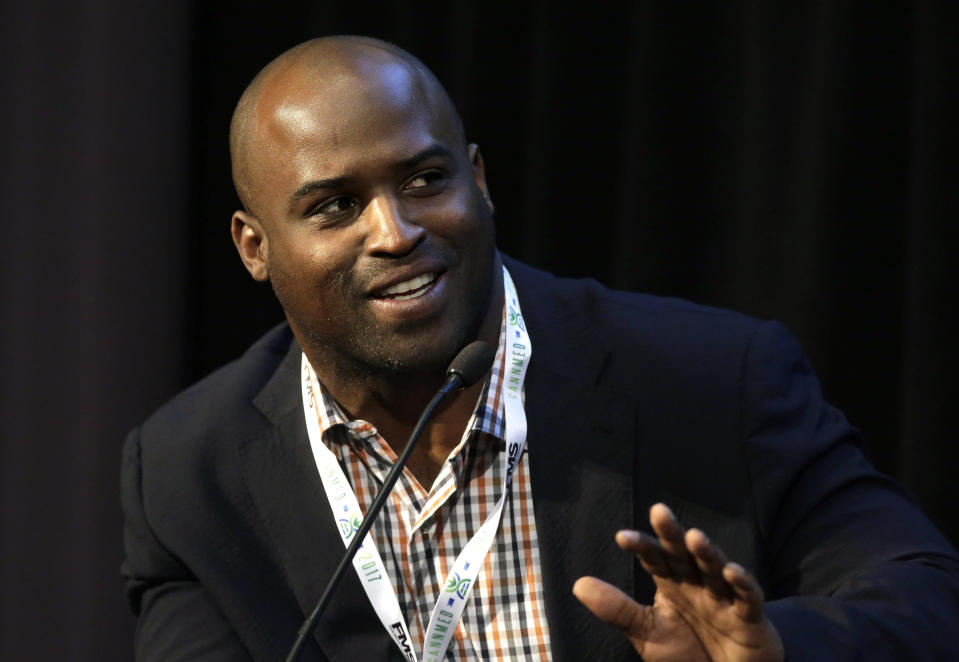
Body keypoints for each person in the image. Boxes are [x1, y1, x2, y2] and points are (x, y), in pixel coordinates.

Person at [121, 36, 959, 662]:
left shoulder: (713, 379)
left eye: (423, 181)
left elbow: (925, 592)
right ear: (253, 246)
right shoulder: (189, 470)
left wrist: (776, 642)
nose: (395, 232)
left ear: (477, 181)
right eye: (335, 207)